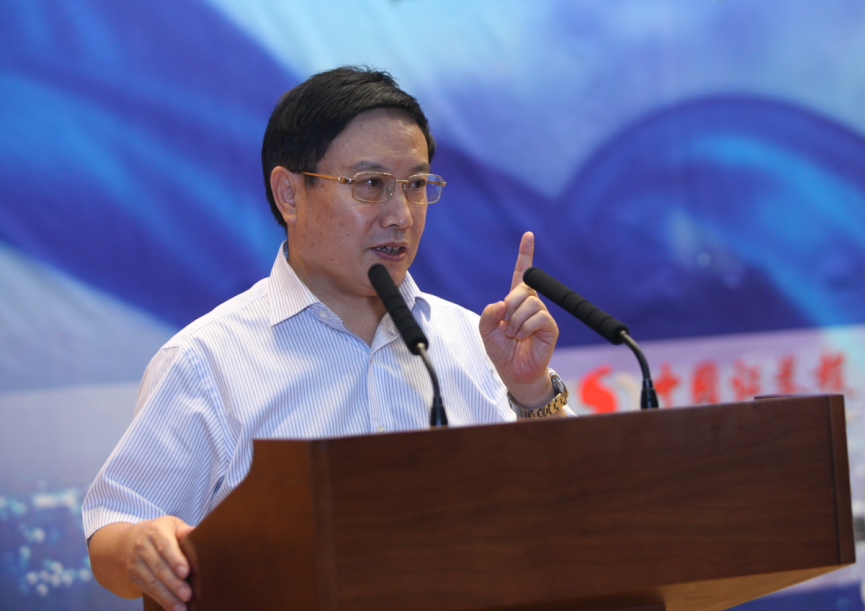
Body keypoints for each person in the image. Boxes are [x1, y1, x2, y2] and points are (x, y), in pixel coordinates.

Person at [83, 66, 568, 611]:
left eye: (416, 185)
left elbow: (571, 513)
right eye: (371, 185)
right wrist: (140, 547)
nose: (401, 216)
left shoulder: (473, 341)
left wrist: (530, 391)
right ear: (289, 193)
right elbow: (113, 530)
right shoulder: (206, 361)